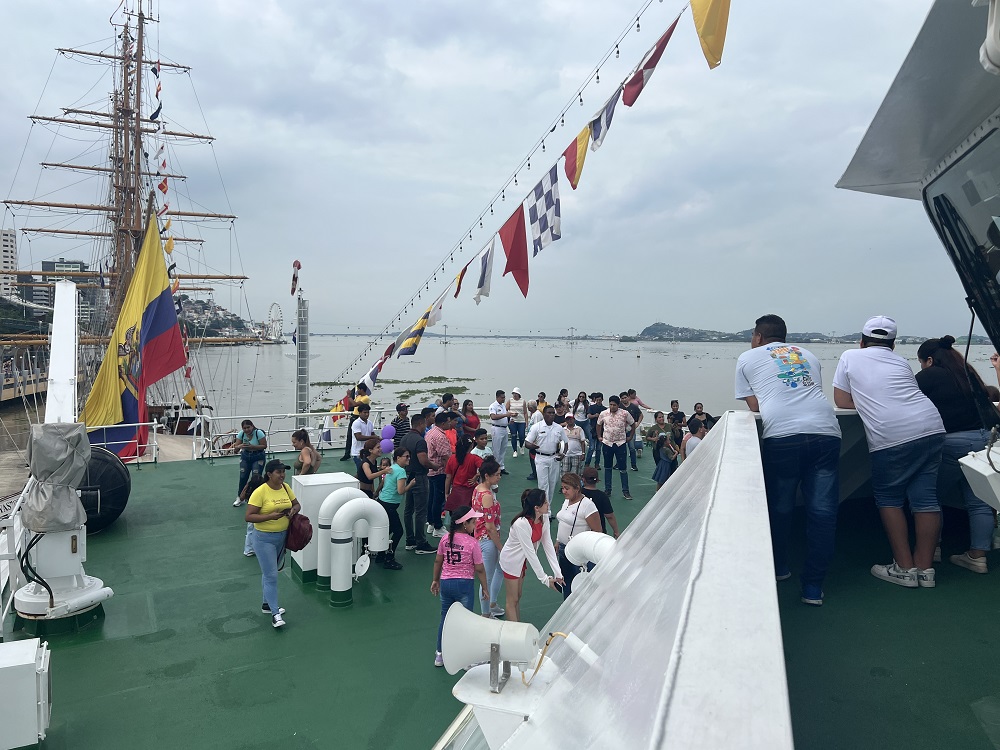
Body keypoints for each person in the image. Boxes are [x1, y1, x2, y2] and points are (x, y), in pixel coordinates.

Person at [735, 314, 843, 605]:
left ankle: (780, 568)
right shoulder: (808, 355)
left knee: (781, 507)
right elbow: (808, 392)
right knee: (822, 514)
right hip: (827, 434)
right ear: (784, 336)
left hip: (783, 437)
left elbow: (756, 404)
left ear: (758, 337)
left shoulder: (747, 357)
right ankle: (813, 588)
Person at [833, 316, 946, 588]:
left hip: (893, 436)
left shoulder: (850, 356)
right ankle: (925, 569)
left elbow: (841, 400)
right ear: (893, 345)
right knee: (926, 499)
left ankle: (904, 568)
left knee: (889, 498)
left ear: (861, 341)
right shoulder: (900, 362)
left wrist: (871, 404)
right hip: (932, 426)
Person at [916, 336, 995, 574]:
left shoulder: (928, 375)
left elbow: (905, 401)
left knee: (930, 497)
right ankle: (977, 556)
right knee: (979, 501)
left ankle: (933, 549)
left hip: (949, 442)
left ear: (929, 360)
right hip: (982, 439)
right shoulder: (967, 372)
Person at [430, 506, 491, 667]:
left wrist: (435, 580)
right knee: (465, 621)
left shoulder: (445, 539)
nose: (476, 524)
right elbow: (479, 568)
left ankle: (440, 655)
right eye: (473, 521)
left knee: (445, 617)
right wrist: (485, 587)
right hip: (464, 585)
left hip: (446, 583)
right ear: (465, 524)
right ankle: (466, 660)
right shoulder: (472, 543)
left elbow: (438, 561)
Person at [245, 459, 300, 628]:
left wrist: (292, 511)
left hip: (281, 537)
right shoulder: (260, 492)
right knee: (271, 575)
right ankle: (276, 614)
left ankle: (267, 605)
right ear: (269, 474)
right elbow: (249, 516)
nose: (282, 475)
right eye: (279, 472)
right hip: (264, 538)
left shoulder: (285, 488)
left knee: (270, 572)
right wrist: (270, 516)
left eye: (284, 471)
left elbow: (297, 504)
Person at [498, 489, 563, 622]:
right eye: (545, 503)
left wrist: (558, 573)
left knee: (518, 595)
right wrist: (545, 579)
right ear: (536, 508)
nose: (548, 504)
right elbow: (531, 553)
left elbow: (548, 545)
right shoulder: (521, 524)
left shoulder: (544, 518)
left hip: (521, 561)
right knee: (512, 600)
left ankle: (517, 627)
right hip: (511, 561)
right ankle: (514, 634)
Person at [554, 473, 602, 598]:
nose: (564, 491)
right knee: (566, 583)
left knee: (579, 585)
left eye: (567, 488)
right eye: (563, 488)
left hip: (579, 554)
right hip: (563, 549)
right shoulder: (566, 501)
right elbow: (563, 522)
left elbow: (597, 531)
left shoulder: (588, 505)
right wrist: (558, 541)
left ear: (577, 488)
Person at [471, 458, 504, 617]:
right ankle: (486, 613)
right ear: (487, 475)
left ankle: (492, 604)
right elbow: (490, 527)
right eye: (496, 475)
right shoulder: (487, 496)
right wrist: (500, 547)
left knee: (498, 570)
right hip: (488, 540)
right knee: (487, 579)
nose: (499, 477)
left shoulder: (478, 489)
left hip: (480, 536)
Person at [401, 412, 435, 555]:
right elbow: (423, 460)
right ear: (421, 424)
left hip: (408, 475)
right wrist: (435, 466)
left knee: (408, 510)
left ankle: (410, 540)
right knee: (421, 511)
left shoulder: (404, 439)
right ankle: (421, 543)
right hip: (419, 477)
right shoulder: (420, 441)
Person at [377, 447, 415, 571]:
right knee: (398, 531)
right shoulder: (401, 472)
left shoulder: (392, 468)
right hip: (390, 505)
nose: (408, 458)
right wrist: (410, 485)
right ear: (398, 458)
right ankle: (389, 558)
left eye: (409, 456)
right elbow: (400, 491)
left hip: (382, 501)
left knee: (389, 529)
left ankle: (380, 554)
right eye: (406, 456)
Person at [525, 405, 567, 506]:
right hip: (541, 458)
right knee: (543, 485)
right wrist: (533, 446)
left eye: (553, 413)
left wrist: (563, 454)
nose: (552, 415)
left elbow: (565, 443)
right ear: (544, 414)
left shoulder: (559, 428)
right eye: (549, 413)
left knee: (552, 484)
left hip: (554, 458)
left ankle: (548, 508)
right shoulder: (537, 427)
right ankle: (544, 510)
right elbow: (527, 443)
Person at [596, 395, 635, 500]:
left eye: (614, 405)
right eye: (611, 404)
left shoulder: (624, 413)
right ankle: (608, 490)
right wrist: (599, 436)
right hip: (607, 444)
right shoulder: (604, 413)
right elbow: (598, 424)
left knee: (623, 469)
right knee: (607, 468)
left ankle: (625, 491)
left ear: (618, 405)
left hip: (620, 444)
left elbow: (633, 424)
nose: (612, 407)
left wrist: (630, 436)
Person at [426, 411, 454, 537]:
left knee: (432, 498)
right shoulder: (440, 436)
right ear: (443, 423)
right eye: (448, 421)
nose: (450, 423)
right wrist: (452, 471)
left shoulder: (430, 432)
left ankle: (431, 522)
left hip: (431, 471)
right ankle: (438, 526)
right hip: (439, 471)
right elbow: (445, 457)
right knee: (438, 499)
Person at [233, 419, 268, 506]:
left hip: (258, 457)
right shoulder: (241, 434)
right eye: (244, 428)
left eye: (248, 427)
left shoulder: (258, 433)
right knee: (243, 477)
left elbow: (264, 446)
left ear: (252, 426)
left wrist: (253, 447)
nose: (246, 430)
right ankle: (240, 497)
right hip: (245, 456)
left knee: (256, 478)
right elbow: (235, 450)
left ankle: (256, 498)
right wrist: (240, 446)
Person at [444, 435, 482, 512]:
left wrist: (446, 493)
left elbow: (448, 477)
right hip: (470, 491)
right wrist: (476, 476)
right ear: (471, 446)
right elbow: (486, 467)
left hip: (456, 492)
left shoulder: (452, 458)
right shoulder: (474, 458)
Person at [580, 466, 620, 538]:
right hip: (597, 534)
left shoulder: (578, 494)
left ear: (583, 479)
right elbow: (609, 516)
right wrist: (616, 531)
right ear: (597, 480)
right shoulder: (602, 496)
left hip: (580, 532)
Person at [488, 389, 513, 475]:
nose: (503, 399)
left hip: (504, 428)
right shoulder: (493, 406)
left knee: (503, 448)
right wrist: (506, 415)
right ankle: (495, 468)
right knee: (496, 449)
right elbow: (493, 417)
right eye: (502, 397)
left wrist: (509, 421)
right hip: (497, 429)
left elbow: (503, 418)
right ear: (497, 397)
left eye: (504, 397)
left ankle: (501, 467)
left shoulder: (503, 406)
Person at [350, 403, 377, 476]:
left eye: (368, 412)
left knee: (364, 472)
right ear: (360, 413)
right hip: (358, 452)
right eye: (364, 412)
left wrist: (378, 438)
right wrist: (373, 437)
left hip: (367, 452)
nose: (366, 414)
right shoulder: (356, 423)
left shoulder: (370, 423)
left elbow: (372, 434)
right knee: (361, 472)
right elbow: (358, 437)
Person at [240, 475, 264, 557]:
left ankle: (249, 549)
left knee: (250, 532)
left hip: (251, 514)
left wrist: (247, 485)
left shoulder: (249, 490)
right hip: (259, 514)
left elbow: (241, 497)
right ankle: (254, 549)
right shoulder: (261, 491)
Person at [621, 391, 643, 468]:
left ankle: (633, 465)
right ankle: (619, 464)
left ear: (628, 397)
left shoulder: (633, 407)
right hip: (621, 431)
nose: (624, 399)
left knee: (632, 448)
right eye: (622, 398)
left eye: (625, 397)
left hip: (631, 430)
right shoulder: (619, 407)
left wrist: (637, 423)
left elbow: (641, 415)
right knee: (621, 449)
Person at [562, 412, 588, 476]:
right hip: (566, 455)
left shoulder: (579, 429)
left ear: (574, 419)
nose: (569, 420)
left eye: (571, 419)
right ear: (565, 420)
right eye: (567, 419)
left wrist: (583, 453)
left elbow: (582, 442)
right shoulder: (562, 430)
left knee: (576, 474)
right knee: (565, 473)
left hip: (577, 454)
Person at [586, 393, 606, 470]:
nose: (598, 401)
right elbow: (588, 416)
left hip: (601, 430)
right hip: (592, 429)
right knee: (591, 447)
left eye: (600, 400)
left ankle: (597, 464)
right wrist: (595, 416)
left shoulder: (604, 409)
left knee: (598, 449)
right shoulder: (591, 407)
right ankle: (587, 463)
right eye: (597, 400)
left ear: (602, 400)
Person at [506, 388, 528, 457]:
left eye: (516, 394)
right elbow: (505, 410)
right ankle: (515, 450)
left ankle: (521, 446)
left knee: (522, 436)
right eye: (513, 394)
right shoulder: (510, 401)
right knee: (513, 435)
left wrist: (526, 422)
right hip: (513, 421)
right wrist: (511, 414)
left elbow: (525, 412)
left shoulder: (523, 401)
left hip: (521, 421)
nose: (514, 395)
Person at [525, 400, 543, 480]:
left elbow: (537, 428)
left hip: (535, 440)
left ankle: (535, 473)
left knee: (533, 457)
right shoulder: (534, 414)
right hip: (532, 438)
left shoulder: (537, 415)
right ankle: (534, 472)